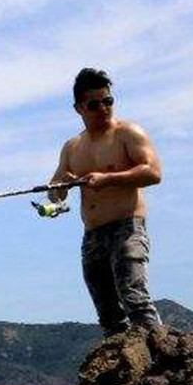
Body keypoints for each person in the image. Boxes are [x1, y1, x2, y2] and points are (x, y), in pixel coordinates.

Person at [47, 68, 165, 335]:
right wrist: (61, 185)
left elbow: (153, 172)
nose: (103, 108)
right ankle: (125, 366)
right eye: (94, 104)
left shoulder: (127, 133)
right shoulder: (72, 147)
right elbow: (55, 193)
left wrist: (107, 179)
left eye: (108, 101)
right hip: (92, 236)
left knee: (134, 299)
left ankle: (162, 357)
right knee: (108, 312)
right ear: (79, 108)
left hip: (127, 228)